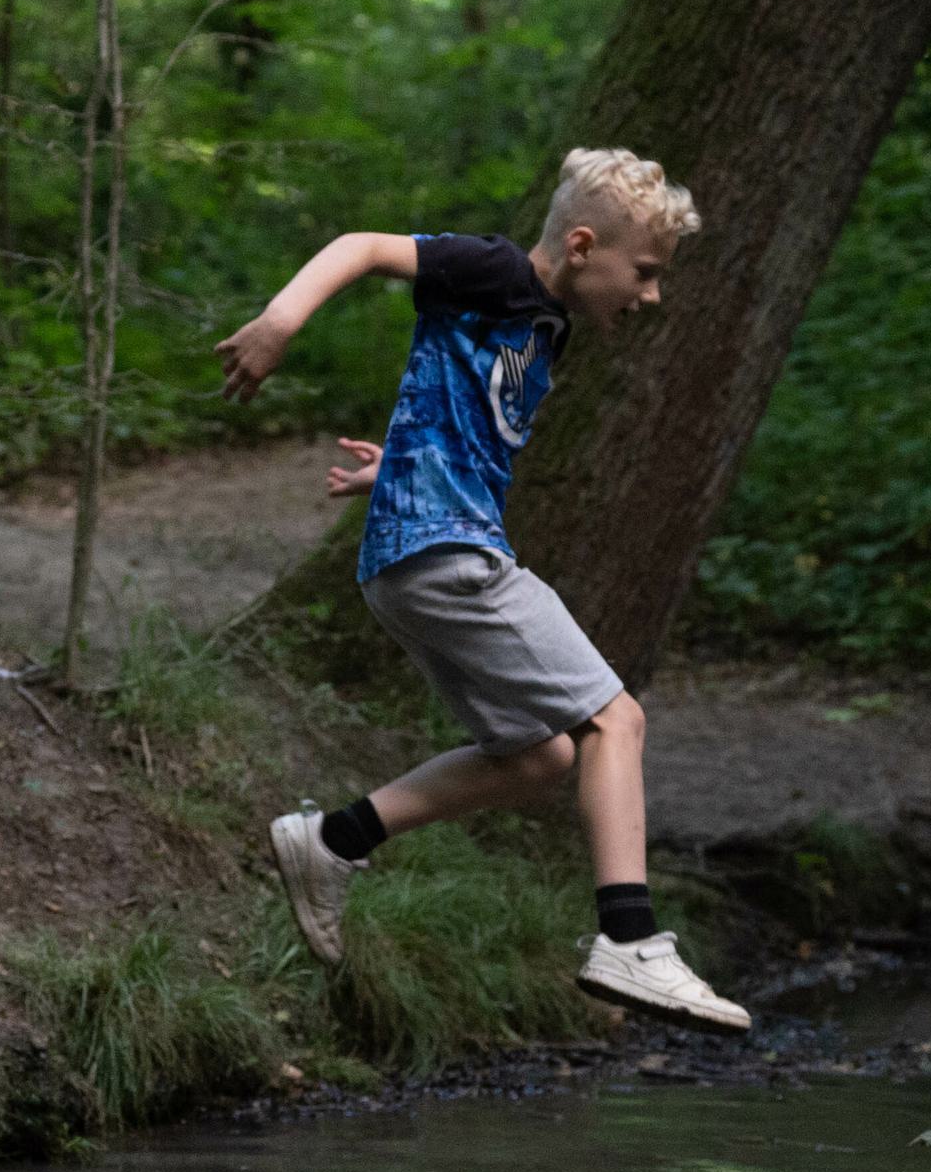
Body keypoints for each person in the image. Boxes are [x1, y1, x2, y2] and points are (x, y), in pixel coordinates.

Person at [211, 146, 750, 1033]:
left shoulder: (549, 326)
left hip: (414, 552)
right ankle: (631, 939)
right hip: (446, 554)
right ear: (582, 245)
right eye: (646, 273)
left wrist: (401, 470)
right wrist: (280, 321)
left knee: (542, 755)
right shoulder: (495, 270)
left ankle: (333, 839)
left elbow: (452, 411)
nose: (653, 296)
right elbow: (361, 246)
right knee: (617, 719)